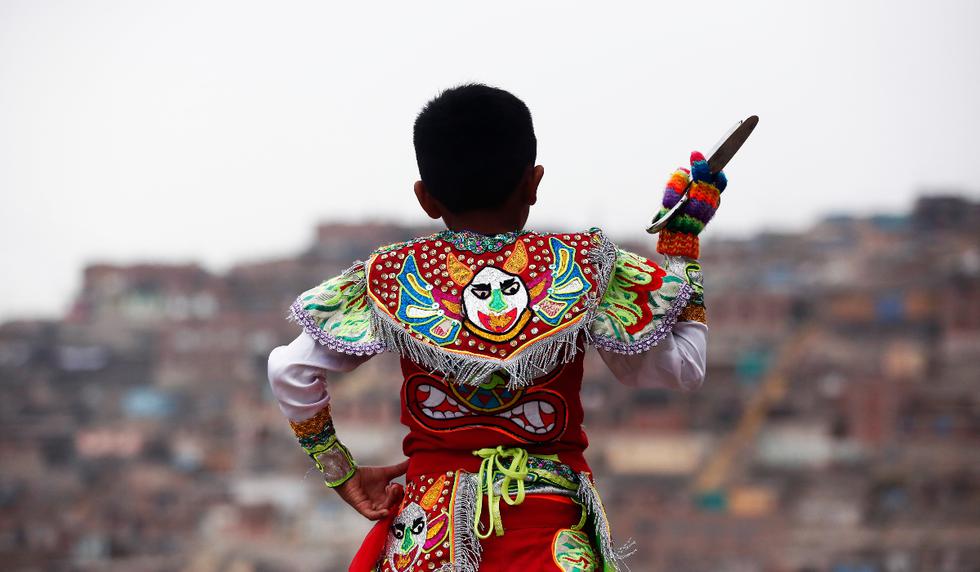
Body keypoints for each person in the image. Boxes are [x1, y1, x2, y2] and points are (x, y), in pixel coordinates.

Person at [267, 84, 726, 571]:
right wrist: (683, 248)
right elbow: (684, 369)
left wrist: (341, 472)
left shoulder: (391, 276)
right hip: (550, 535)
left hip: (429, 537)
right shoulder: (584, 266)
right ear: (534, 182)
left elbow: (288, 370)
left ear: (425, 198)